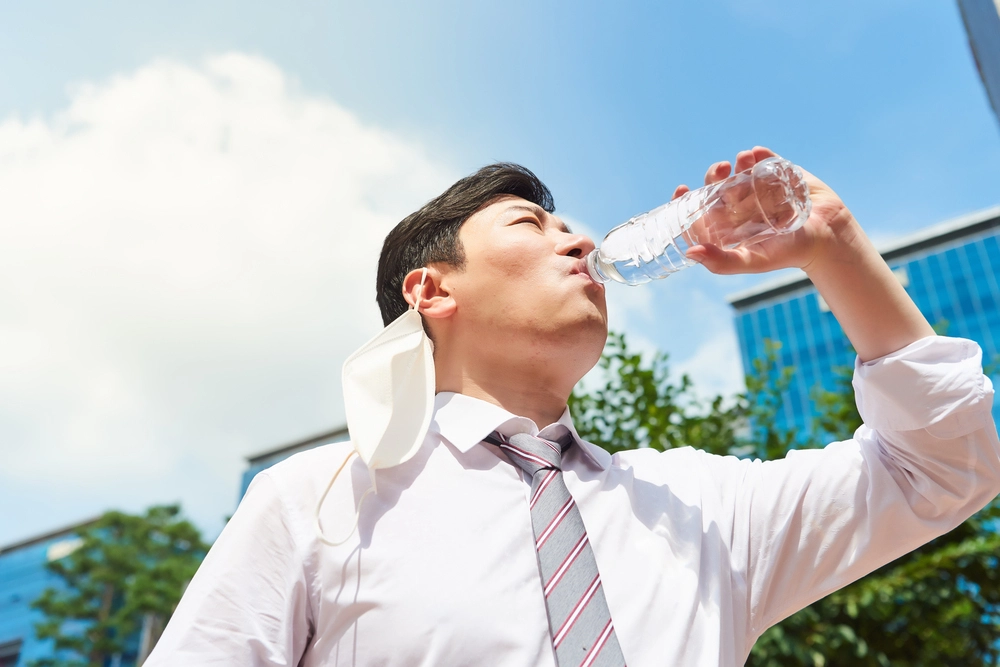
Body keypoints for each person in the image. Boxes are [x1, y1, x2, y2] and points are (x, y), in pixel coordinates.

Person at [146, 147, 1000, 666]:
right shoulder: (324, 500)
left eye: (571, 229)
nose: (582, 241)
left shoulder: (699, 505)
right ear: (431, 290)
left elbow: (941, 466)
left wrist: (834, 245)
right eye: (531, 224)